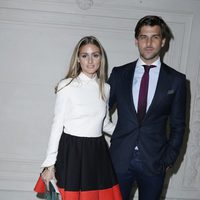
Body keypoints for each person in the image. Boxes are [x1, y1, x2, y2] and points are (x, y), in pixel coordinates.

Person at [108, 15, 187, 200]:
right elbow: (99, 111)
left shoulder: (176, 80)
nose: (149, 43)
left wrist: (168, 160)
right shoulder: (119, 74)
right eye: (144, 37)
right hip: (119, 160)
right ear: (136, 41)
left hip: (154, 162)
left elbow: (179, 125)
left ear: (163, 41)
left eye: (155, 37)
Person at [34, 36, 122, 200]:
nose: (90, 61)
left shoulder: (106, 88)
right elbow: (57, 125)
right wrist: (49, 164)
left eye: (95, 55)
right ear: (78, 58)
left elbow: (104, 124)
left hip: (97, 152)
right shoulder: (66, 85)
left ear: (100, 58)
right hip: (71, 151)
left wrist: (130, 134)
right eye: (84, 55)